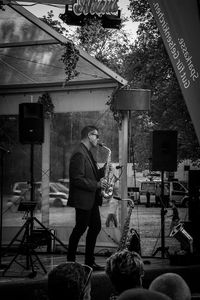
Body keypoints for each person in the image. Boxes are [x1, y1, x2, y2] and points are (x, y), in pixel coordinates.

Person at [67, 125, 109, 271]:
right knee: (80, 228)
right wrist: (97, 184)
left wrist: (106, 170)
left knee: (95, 226)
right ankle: (70, 262)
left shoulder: (87, 152)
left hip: (91, 199)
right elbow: (76, 179)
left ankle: (89, 262)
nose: (98, 139)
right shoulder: (79, 153)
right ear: (89, 135)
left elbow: (92, 174)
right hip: (83, 199)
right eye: (96, 136)